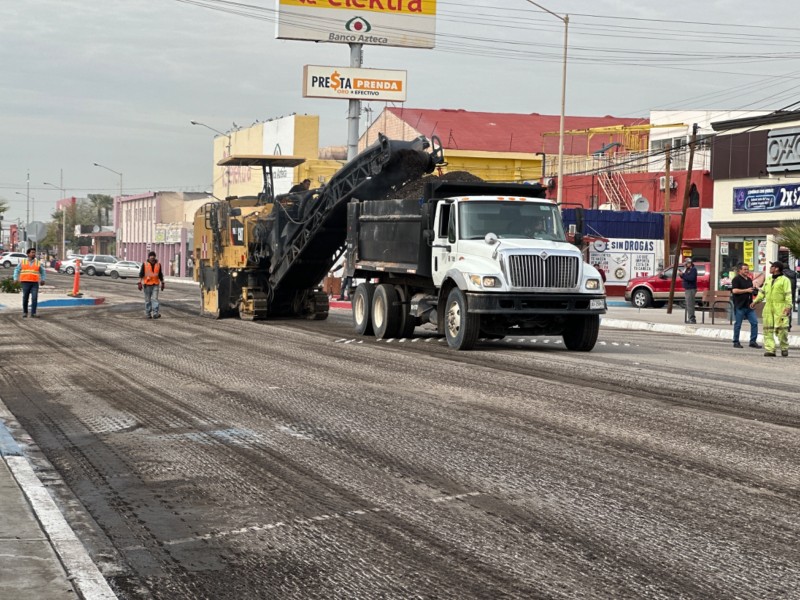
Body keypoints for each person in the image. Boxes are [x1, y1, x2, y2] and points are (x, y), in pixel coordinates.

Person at [751, 261, 792, 357]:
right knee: (767, 329)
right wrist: (755, 301)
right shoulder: (768, 279)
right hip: (768, 308)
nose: (770, 269)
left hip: (780, 307)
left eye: (771, 267)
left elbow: (788, 294)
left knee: (782, 330)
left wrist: (788, 306)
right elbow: (763, 292)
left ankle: (784, 347)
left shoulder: (785, 280)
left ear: (776, 268)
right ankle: (770, 350)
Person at [730, 262, 760, 349]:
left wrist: (755, 290)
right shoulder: (736, 279)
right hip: (740, 305)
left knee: (754, 323)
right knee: (738, 324)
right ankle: (736, 341)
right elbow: (734, 291)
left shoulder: (749, 280)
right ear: (740, 270)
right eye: (745, 269)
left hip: (749, 305)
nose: (747, 271)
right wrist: (746, 290)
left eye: (748, 269)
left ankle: (753, 341)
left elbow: (751, 292)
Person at [13, 247, 46, 318]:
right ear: (28, 254)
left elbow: (43, 271)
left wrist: (43, 279)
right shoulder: (23, 262)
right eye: (32, 252)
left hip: (34, 283)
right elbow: (16, 270)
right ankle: (25, 312)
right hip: (25, 282)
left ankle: (33, 313)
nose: (34, 254)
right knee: (25, 298)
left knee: (34, 298)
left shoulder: (38, 263)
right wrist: (15, 278)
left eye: (34, 252)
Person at [138, 251, 165, 319]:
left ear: (155, 257)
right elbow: (141, 274)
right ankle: (148, 313)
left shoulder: (158, 264)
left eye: (153, 256)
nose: (152, 257)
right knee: (148, 300)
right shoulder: (145, 264)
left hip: (155, 284)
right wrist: (139, 282)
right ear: (149, 257)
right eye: (151, 256)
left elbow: (160, 274)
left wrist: (163, 282)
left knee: (155, 299)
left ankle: (155, 313)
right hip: (147, 285)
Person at [679, 257, 698, 324]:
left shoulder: (693, 270)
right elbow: (685, 276)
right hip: (687, 289)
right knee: (688, 304)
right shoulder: (686, 269)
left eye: (687, 263)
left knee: (690, 304)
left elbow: (691, 278)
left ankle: (692, 318)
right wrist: (681, 274)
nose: (686, 265)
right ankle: (690, 317)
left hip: (691, 289)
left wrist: (683, 275)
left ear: (690, 263)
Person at [781, 264, 797, 332]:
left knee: (782, 310)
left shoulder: (782, 274)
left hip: (783, 295)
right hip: (792, 294)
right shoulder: (794, 274)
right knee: (789, 310)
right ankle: (788, 326)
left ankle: (783, 325)